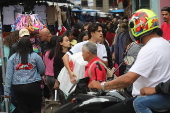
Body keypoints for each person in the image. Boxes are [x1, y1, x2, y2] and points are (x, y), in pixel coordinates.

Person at [88, 9, 170, 113]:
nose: (130, 30)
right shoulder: (164, 43)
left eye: (132, 26)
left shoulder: (150, 48)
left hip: (148, 99)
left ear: (140, 26)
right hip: (157, 97)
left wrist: (101, 85)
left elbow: (128, 79)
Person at [4, 37, 45, 113]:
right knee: (36, 108)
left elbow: (9, 75)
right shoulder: (36, 56)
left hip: (18, 87)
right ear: (30, 46)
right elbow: (42, 69)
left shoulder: (12, 58)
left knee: (23, 109)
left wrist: (7, 92)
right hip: (33, 86)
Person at [53, 35, 70, 105]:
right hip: (63, 82)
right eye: (66, 40)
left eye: (69, 40)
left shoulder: (72, 53)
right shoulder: (58, 56)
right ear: (61, 43)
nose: (69, 42)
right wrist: (58, 80)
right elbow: (56, 71)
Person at [43, 35, 57, 100]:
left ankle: (52, 108)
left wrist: (44, 77)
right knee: (60, 97)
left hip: (48, 77)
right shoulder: (58, 53)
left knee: (54, 95)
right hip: (57, 78)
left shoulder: (46, 52)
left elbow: (45, 65)